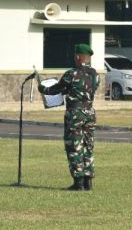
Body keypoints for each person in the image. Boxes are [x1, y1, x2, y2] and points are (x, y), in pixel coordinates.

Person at [38, 43, 99, 191]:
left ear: (78, 57)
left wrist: (42, 88)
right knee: (88, 146)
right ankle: (88, 182)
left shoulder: (71, 74)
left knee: (74, 146)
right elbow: (81, 89)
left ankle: (78, 183)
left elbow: (56, 89)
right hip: (89, 113)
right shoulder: (95, 75)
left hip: (75, 114)